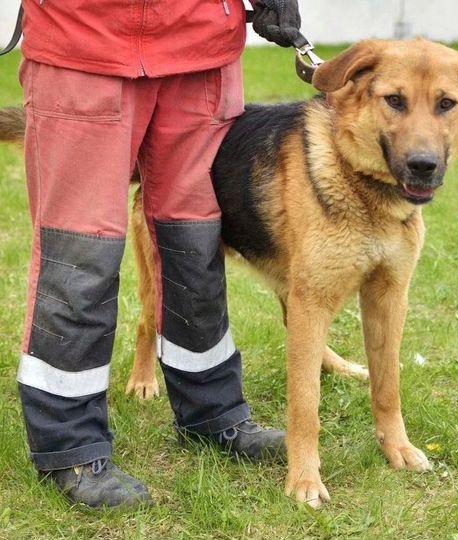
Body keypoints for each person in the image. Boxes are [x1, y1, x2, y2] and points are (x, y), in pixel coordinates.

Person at [15, 0, 302, 509]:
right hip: (85, 42)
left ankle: (215, 414)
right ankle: (71, 444)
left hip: (200, 45)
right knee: (79, 254)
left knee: (196, 247)